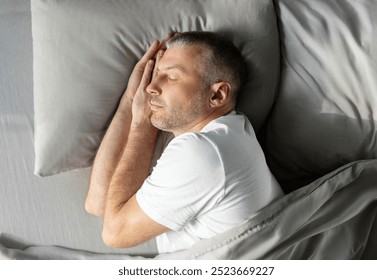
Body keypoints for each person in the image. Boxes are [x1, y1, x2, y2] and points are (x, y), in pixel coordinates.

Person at [85, 31, 283, 254]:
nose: (151, 87)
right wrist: (131, 99)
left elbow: (114, 233)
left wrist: (141, 123)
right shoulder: (226, 131)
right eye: (156, 73)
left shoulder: (202, 153)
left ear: (217, 96)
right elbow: (98, 203)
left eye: (171, 77)